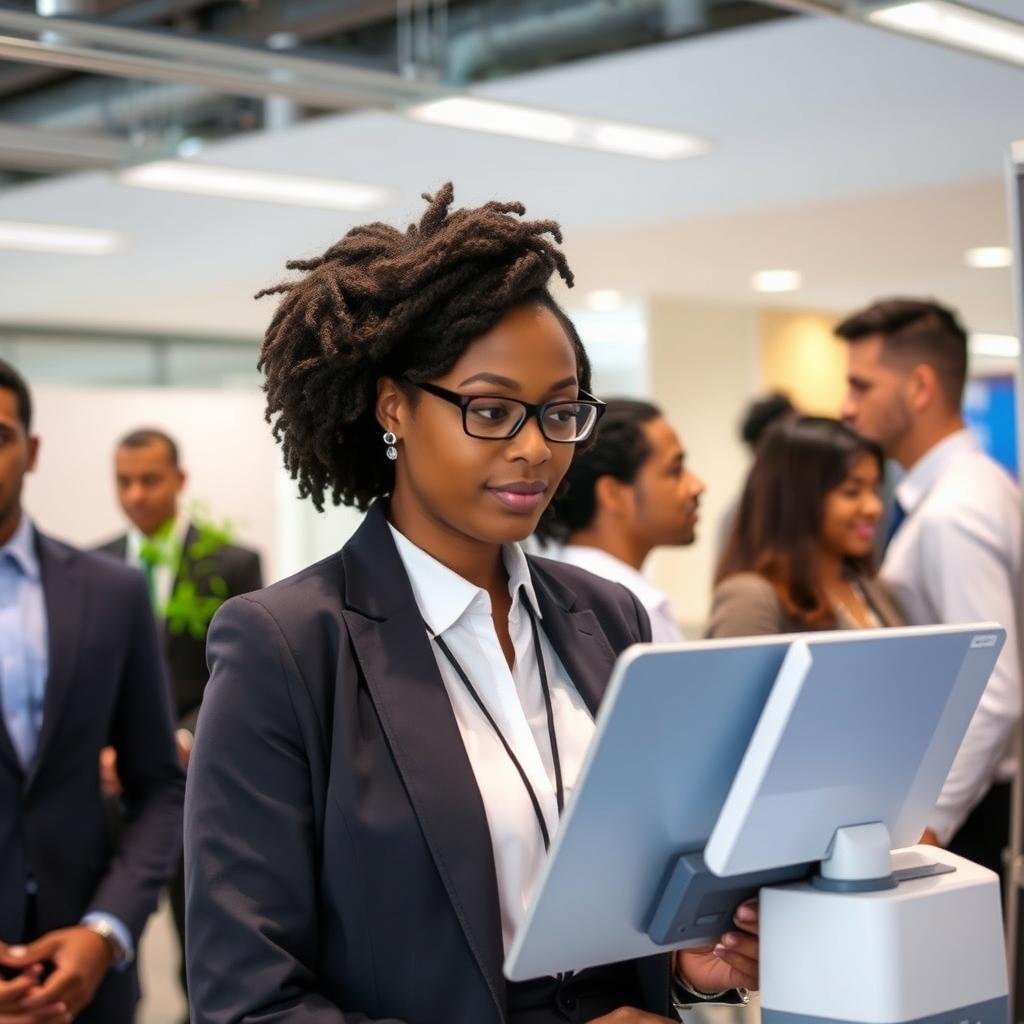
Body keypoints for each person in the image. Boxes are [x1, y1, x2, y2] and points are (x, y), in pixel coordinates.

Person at [185, 185, 760, 1024]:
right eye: (490, 411)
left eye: (559, 412)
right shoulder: (287, 646)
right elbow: (247, 1003)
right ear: (394, 407)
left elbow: (612, 903)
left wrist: (682, 964)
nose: (534, 448)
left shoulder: (608, 617)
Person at [0, 360, 184, 1023]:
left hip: (89, 969)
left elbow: (160, 787)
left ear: (32, 450)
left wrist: (106, 930)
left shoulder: (111, 593)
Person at [837, 297, 1022, 884]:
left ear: (920, 387)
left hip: (969, 806)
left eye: (861, 386)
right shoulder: (974, 487)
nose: (846, 407)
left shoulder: (954, 511)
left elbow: (995, 690)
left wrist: (932, 822)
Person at [96, 427, 262, 1013]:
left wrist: (188, 733)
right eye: (124, 481)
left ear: (179, 480)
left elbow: (241, 672)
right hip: (111, 791)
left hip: (198, 785)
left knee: (203, 946)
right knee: (106, 946)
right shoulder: (93, 565)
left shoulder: (232, 563)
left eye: (150, 480)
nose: (135, 495)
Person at [708, 415, 903, 637]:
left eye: (874, 490)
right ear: (796, 499)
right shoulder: (751, 599)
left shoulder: (869, 586)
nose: (874, 508)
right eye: (852, 492)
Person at [537, 398, 702, 643]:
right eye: (675, 471)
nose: (697, 486)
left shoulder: (563, 591)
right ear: (613, 493)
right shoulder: (616, 610)